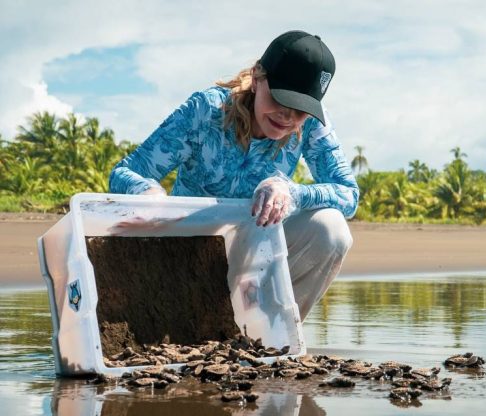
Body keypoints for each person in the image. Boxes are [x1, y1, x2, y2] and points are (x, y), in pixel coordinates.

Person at [108, 30, 358, 320]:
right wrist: (148, 195)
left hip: (255, 253)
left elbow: (348, 195)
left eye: (300, 110)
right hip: (184, 251)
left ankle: (272, 332)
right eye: (280, 99)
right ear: (257, 78)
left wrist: (293, 192)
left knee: (332, 229)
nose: (287, 117)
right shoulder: (205, 111)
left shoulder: (313, 125)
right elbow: (124, 172)